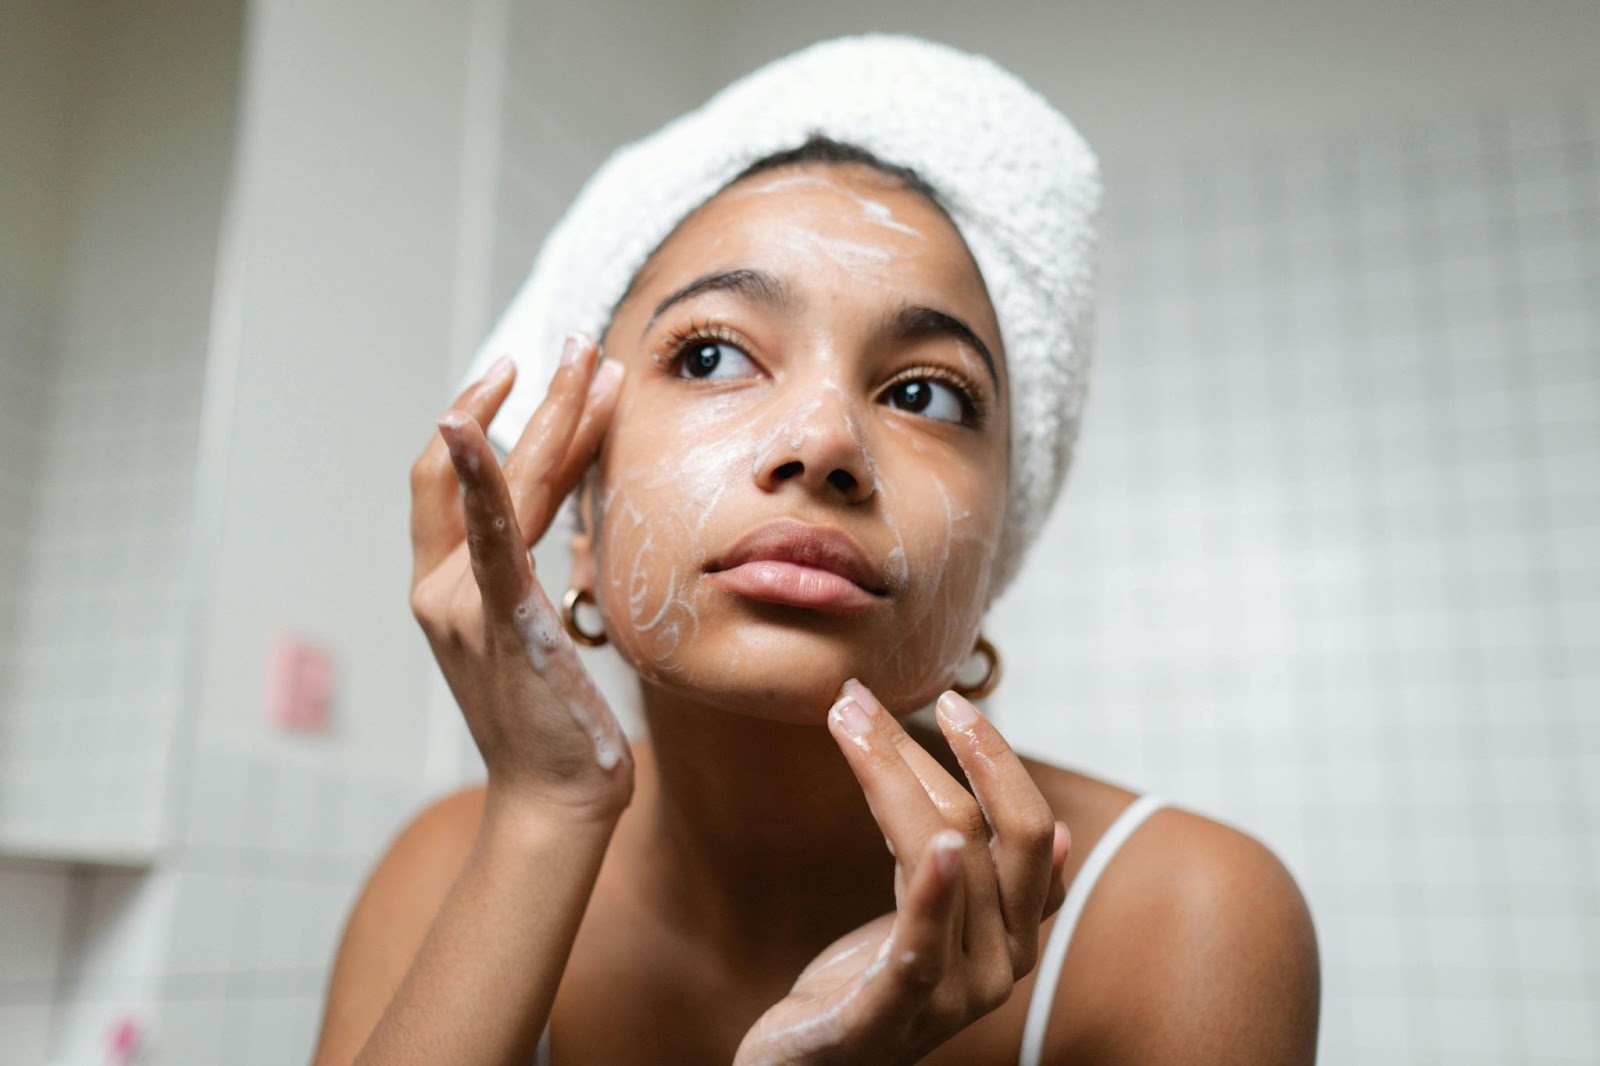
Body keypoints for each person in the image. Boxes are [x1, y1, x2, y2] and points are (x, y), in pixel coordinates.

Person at [311, 35, 1320, 1066]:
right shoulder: (444, 872)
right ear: (578, 505)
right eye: (711, 355)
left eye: (925, 392)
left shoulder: (1184, 920)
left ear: (996, 552)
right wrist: (543, 812)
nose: (826, 439)